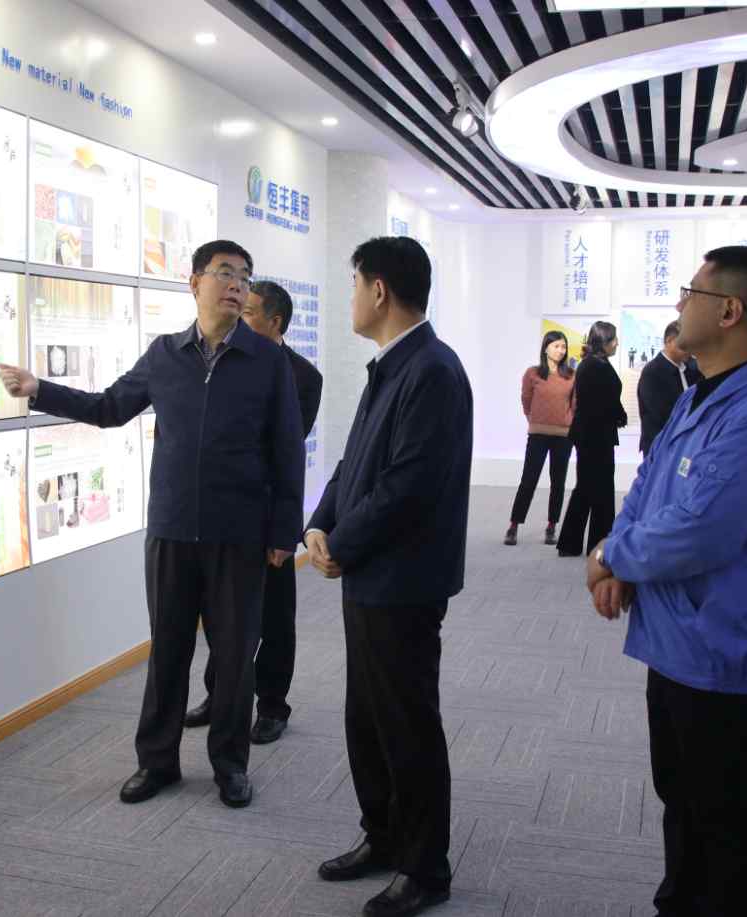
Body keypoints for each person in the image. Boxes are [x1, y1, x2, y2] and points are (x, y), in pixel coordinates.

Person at [0, 240, 304, 810]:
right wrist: (41, 390)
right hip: (171, 529)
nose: (237, 285)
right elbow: (109, 407)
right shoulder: (164, 355)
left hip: (238, 534)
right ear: (194, 283)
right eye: (225, 273)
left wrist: (284, 532)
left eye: (244, 276)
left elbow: (288, 449)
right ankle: (156, 761)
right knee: (167, 652)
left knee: (234, 658)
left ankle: (230, 766)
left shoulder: (267, 361)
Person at [586, 246, 747, 917]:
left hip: (720, 651)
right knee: (682, 800)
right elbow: (649, 487)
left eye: (691, 292)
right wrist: (617, 557)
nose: (679, 303)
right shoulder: (697, 397)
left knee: (727, 822)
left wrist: (613, 555)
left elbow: (700, 530)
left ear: (730, 310)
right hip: (675, 641)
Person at [305, 236, 472, 917]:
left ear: (378, 290)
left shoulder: (431, 370)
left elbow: (408, 485)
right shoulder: (392, 365)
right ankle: (384, 835)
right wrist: (318, 524)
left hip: (403, 580)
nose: (350, 297)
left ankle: (425, 866)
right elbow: (354, 464)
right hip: (370, 574)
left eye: (354, 284)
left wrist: (340, 544)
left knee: (406, 724)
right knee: (367, 719)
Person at [185, 280, 322, 745]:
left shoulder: (304, 376)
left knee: (276, 617)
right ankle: (218, 694)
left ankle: (272, 705)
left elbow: (283, 451)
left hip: (268, 514)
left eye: (248, 312)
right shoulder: (222, 360)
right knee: (221, 614)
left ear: (275, 322)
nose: (237, 315)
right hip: (224, 515)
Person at [555, 321, 626, 557]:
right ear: (603, 342)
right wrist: (618, 414)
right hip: (595, 436)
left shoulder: (593, 363)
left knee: (588, 488)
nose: (617, 343)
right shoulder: (595, 366)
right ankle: (595, 543)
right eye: (613, 339)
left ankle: (577, 543)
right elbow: (601, 402)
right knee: (597, 489)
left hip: (593, 434)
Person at [504, 330, 574, 546]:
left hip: (563, 436)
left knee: (558, 482)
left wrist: (569, 421)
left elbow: (575, 404)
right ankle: (514, 525)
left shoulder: (571, 375)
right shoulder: (533, 373)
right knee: (528, 480)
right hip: (538, 435)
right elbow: (526, 399)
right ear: (546, 348)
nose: (560, 351)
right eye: (556, 346)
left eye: (563, 347)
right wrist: (533, 419)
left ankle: (552, 526)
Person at [637, 320, 703, 456]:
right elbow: (659, 414)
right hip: (660, 447)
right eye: (684, 346)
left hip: (686, 445)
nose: (689, 352)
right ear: (669, 341)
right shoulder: (653, 372)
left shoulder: (692, 368)